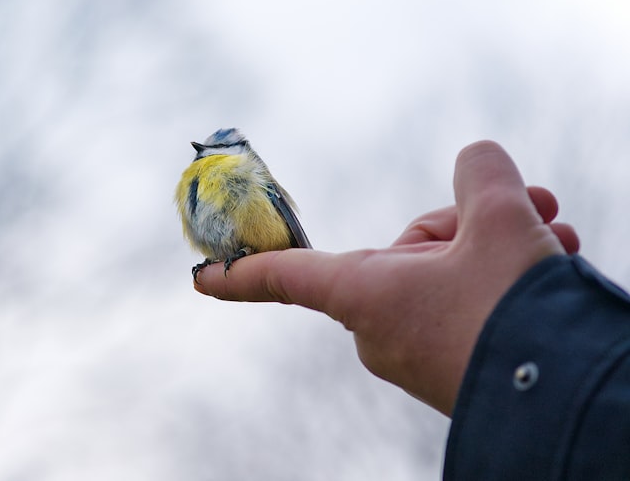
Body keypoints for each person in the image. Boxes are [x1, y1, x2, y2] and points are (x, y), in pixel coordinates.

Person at [193, 140, 630, 479]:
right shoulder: (195, 180)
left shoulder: (244, 169)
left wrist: (509, 361)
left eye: (216, 147)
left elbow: (279, 212)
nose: (204, 152)